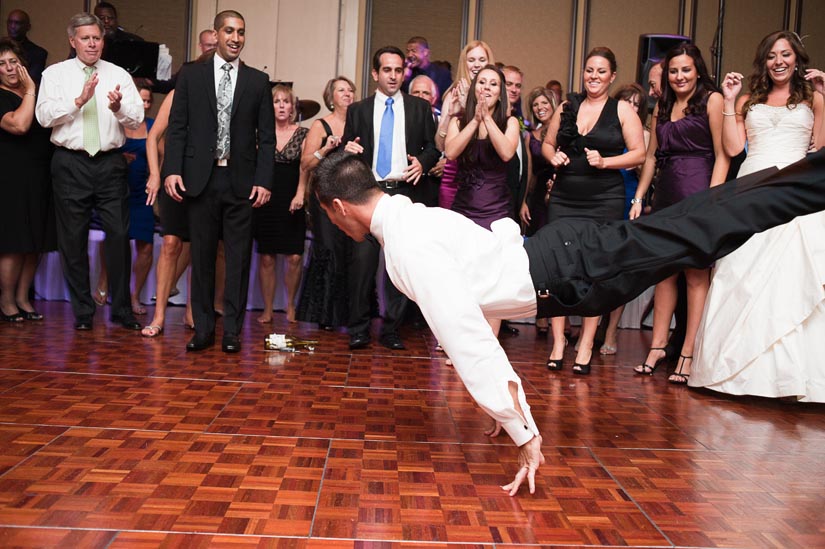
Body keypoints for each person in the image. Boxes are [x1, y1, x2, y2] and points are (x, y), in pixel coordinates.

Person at [314, 148, 825, 495]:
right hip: (565, 256)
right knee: (699, 220)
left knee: (704, 230)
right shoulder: (405, 213)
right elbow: (475, 295)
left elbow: (465, 335)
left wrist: (524, 430)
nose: (333, 226)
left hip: (572, 268)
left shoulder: (407, 245)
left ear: (339, 208)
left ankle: (814, 178)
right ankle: (810, 174)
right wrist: (503, 406)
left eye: (328, 217)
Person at [692, 31, 825, 401]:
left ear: (797, 58)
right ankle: (734, 373)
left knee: (792, 276)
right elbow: (734, 148)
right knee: (741, 273)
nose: (778, 61)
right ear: (763, 61)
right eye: (771, 55)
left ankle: (792, 378)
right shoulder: (750, 99)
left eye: (785, 54)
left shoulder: (813, 99)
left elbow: (823, 149)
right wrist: (732, 101)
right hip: (753, 186)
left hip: (796, 190)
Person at [163, 10, 275, 353]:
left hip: (241, 183)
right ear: (216, 33)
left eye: (241, 32)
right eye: (229, 31)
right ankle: (203, 330)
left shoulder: (257, 81)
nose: (235, 38)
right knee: (203, 256)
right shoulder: (191, 76)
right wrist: (171, 169)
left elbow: (267, 138)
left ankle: (232, 333)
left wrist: (264, 180)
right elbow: (177, 126)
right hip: (200, 180)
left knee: (239, 260)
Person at [35, 12, 144, 331]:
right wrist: (78, 101)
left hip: (110, 161)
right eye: (86, 38)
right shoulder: (55, 74)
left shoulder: (119, 74)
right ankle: (83, 312)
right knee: (72, 239)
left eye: (97, 37)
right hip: (70, 162)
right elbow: (43, 117)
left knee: (120, 235)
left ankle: (121, 309)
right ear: (73, 41)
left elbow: (136, 119)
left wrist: (118, 108)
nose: (93, 43)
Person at [541, 47, 646, 374]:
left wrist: (607, 161)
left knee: (594, 270)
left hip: (604, 199)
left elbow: (640, 153)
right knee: (557, 268)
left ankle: (586, 344)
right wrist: (552, 157)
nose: (594, 76)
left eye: (601, 71)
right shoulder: (567, 106)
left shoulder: (623, 111)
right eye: (589, 70)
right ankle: (559, 341)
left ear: (612, 76)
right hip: (564, 196)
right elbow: (547, 143)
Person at [630, 43, 729, 383]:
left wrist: (711, 201)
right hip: (667, 195)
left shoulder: (712, 100)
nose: (679, 76)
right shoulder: (663, 105)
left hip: (698, 191)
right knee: (663, 272)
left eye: (685, 69)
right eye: (673, 71)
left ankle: (688, 352)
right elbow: (652, 157)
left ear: (697, 70)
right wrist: (642, 196)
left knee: (695, 274)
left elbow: (722, 155)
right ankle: (658, 346)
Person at [341, 46, 439, 350]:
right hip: (368, 194)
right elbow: (348, 146)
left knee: (398, 267)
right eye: (387, 70)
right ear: (375, 73)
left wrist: (423, 161)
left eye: (398, 70)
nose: (394, 76)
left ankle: (391, 329)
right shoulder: (358, 110)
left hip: (404, 193)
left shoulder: (419, 109)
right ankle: (358, 328)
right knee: (362, 264)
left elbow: (433, 148)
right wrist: (347, 150)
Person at [0, 38, 55, 322]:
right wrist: (31, 89)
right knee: (14, 242)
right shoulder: (3, 95)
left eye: (13, 61)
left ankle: (23, 298)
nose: (9, 68)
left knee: (36, 241)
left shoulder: (36, 93)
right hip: (10, 177)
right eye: (2, 63)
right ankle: (7, 301)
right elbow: (20, 125)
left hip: (40, 174)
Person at [296, 76, 355, 329]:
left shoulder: (358, 123)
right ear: (330, 97)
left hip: (352, 199)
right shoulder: (321, 126)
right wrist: (327, 149)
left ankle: (347, 314)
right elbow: (306, 164)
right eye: (341, 90)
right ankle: (326, 315)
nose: (348, 94)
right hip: (325, 200)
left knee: (349, 253)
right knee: (328, 250)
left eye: (351, 90)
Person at [253, 84, 308, 324]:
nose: (282, 106)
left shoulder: (303, 133)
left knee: (294, 256)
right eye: (277, 101)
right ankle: (267, 309)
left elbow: (306, 169)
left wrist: (300, 194)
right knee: (266, 257)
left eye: (286, 101)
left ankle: (290, 306)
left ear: (292, 106)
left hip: (292, 197)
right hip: (266, 197)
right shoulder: (260, 134)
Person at [438, 41, 496, 211]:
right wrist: (450, 115)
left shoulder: (496, 96)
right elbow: (440, 145)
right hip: (454, 177)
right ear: (464, 63)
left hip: (486, 177)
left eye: (482, 59)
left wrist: (468, 109)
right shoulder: (453, 93)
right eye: (471, 60)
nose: (476, 64)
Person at [519, 87, 556, 237]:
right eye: (535, 104)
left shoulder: (565, 130)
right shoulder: (530, 136)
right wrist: (523, 202)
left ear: (553, 104)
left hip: (560, 191)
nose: (540, 107)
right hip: (538, 195)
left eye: (544, 102)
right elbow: (529, 171)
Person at [401, 36, 452, 108]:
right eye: (408, 51)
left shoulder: (441, 73)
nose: (409, 55)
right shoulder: (406, 73)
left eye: (413, 51)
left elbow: (448, 100)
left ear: (425, 52)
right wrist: (404, 79)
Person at [5, 9, 47, 85]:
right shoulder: (2, 48)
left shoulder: (38, 53)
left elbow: (31, 81)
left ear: (28, 27)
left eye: (17, 23)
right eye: (10, 22)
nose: (12, 26)